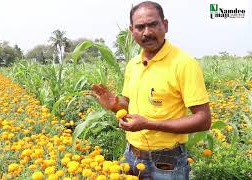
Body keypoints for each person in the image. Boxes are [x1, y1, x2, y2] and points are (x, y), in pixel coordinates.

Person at [90, 1, 211, 179]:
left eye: (153, 24)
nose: (147, 32)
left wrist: (149, 124)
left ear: (165, 25)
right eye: (140, 27)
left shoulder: (184, 63)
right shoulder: (133, 65)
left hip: (167, 164)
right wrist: (115, 105)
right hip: (130, 156)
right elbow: (129, 106)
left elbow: (203, 120)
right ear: (132, 31)